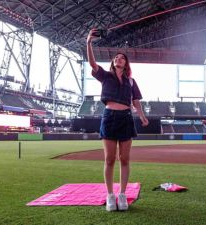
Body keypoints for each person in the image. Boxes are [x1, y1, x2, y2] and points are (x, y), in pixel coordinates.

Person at [86, 28, 149, 211]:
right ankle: (110, 195)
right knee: (109, 159)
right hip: (110, 117)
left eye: (122, 57)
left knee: (125, 159)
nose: (118, 59)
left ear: (126, 63)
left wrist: (143, 117)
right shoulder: (105, 75)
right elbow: (92, 63)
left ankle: (122, 194)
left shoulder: (131, 81)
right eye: (116, 57)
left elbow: (136, 101)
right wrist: (89, 42)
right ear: (113, 63)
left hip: (126, 117)